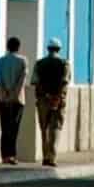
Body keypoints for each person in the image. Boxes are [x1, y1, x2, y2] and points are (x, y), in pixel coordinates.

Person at [32, 38, 71, 167]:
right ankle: (52, 157)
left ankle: (45, 157)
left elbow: (34, 81)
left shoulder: (39, 63)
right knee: (56, 128)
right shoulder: (65, 63)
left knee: (44, 128)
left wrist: (46, 94)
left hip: (43, 99)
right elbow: (65, 81)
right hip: (58, 100)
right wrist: (57, 97)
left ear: (48, 49)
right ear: (59, 49)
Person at [0, 36, 29, 164]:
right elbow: (22, 80)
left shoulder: (1, 61)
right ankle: (12, 155)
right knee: (14, 127)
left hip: (3, 98)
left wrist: (6, 92)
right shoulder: (23, 61)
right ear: (18, 47)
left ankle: (4, 156)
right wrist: (14, 93)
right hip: (18, 99)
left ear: (7, 47)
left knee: (4, 127)